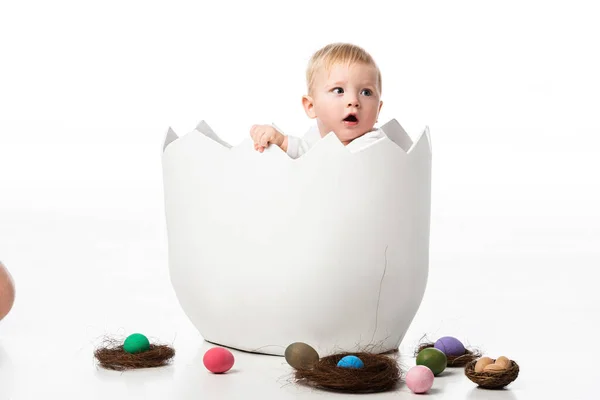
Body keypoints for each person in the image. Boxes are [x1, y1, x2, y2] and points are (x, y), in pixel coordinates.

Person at [249, 42, 386, 158]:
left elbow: (338, 164)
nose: (353, 101)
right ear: (311, 106)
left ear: (378, 110)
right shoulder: (314, 137)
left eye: (366, 92)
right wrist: (280, 141)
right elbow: (303, 155)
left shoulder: (374, 144)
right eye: (339, 90)